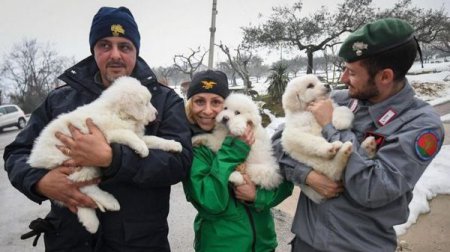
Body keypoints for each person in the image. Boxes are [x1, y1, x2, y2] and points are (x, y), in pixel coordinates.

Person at [3, 6, 192, 251]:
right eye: (105, 45)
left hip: (139, 242)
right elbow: (16, 152)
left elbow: (180, 162)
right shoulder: (59, 101)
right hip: (69, 242)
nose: (115, 55)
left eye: (125, 46)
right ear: (94, 49)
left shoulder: (164, 100)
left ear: (136, 51)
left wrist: (114, 158)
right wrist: (39, 182)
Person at [272, 18, 445, 252]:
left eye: (351, 72)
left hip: (358, 245)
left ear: (384, 76)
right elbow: (279, 142)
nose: (343, 79)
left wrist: (331, 128)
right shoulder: (342, 100)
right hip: (307, 241)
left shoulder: (421, 126)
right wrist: (307, 175)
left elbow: (374, 189)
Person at [182, 69, 293, 252]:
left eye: (216, 102)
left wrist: (257, 196)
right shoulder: (194, 148)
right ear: (190, 105)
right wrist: (233, 151)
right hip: (222, 246)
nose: (208, 110)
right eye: (199, 101)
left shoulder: (250, 133)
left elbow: (285, 184)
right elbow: (212, 203)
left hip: (263, 244)